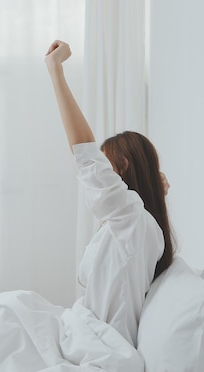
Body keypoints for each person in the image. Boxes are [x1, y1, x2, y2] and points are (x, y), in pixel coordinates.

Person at [45, 40, 176, 347]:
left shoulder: (133, 218)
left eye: (107, 163)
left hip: (101, 347)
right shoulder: (135, 223)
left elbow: (85, 155)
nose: (101, 171)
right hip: (88, 336)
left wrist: (56, 71)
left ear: (124, 165)